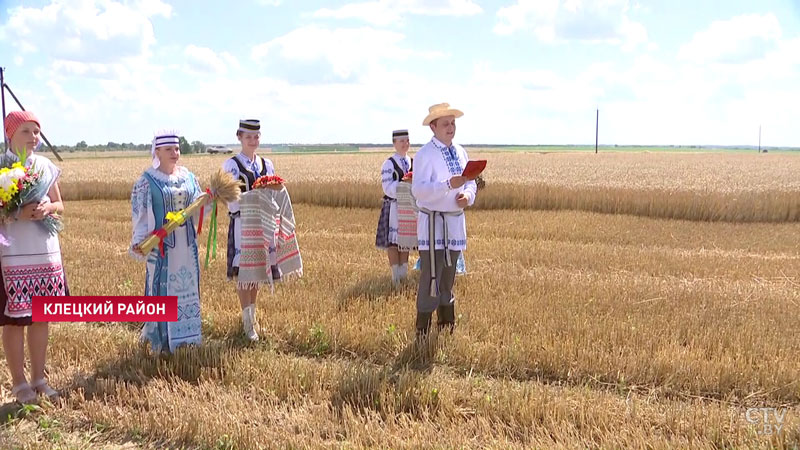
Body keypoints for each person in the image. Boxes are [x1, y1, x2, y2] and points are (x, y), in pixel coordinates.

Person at [0, 110, 66, 403]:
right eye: (26, 131)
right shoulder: (1, 166)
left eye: (37, 132)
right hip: (12, 254)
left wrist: (47, 209)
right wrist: (16, 212)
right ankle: (19, 384)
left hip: (45, 252)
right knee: (15, 321)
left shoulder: (46, 166)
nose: (34, 137)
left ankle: (39, 378)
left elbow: (60, 203)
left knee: (41, 317)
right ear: (10, 134)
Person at [130, 130, 205, 353]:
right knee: (161, 289)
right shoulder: (148, 181)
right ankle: (161, 341)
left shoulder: (189, 177)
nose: (175, 153)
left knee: (187, 288)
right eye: (169, 149)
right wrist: (140, 240)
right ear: (158, 152)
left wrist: (207, 200)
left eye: (177, 148)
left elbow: (199, 208)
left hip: (186, 246)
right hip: (162, 247)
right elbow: (141, 214)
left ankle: (187, 338)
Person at [411, 103, 478, 337]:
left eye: (453, 123)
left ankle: (446, 327)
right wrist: (448, 185)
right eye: (445, 124)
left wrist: (467, 195)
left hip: (454, 224)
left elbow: (471, 181)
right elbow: (419, 191)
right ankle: (422, 332)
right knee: (432, 277)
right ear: (433, 127)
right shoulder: (424, 155)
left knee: (448, 277)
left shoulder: (460, 151)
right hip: (433, 227)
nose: (451, 128)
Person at [222, 119, 276, 341]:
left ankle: (252, 318)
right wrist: (251, 200)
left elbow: (272, 192)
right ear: (239, 138)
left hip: (261, 223)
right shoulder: (231, 165)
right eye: (248, 137)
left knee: (256, 272)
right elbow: (230, 198)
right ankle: (247, 324)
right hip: (243, 223)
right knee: (244, 274)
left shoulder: (266, 164)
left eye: (256, 137)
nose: (253, 141)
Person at [375, 129, 413, 284]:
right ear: (394, 143)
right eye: (401, 141)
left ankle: (403, 274)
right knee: (393, 243)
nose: (405, 144)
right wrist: (405, 185)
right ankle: (395, 277)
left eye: (407, 140)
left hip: (408, 207)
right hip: (394, 207)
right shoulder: (389, 163)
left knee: (405, 242)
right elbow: (387, 187)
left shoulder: (412, 161)